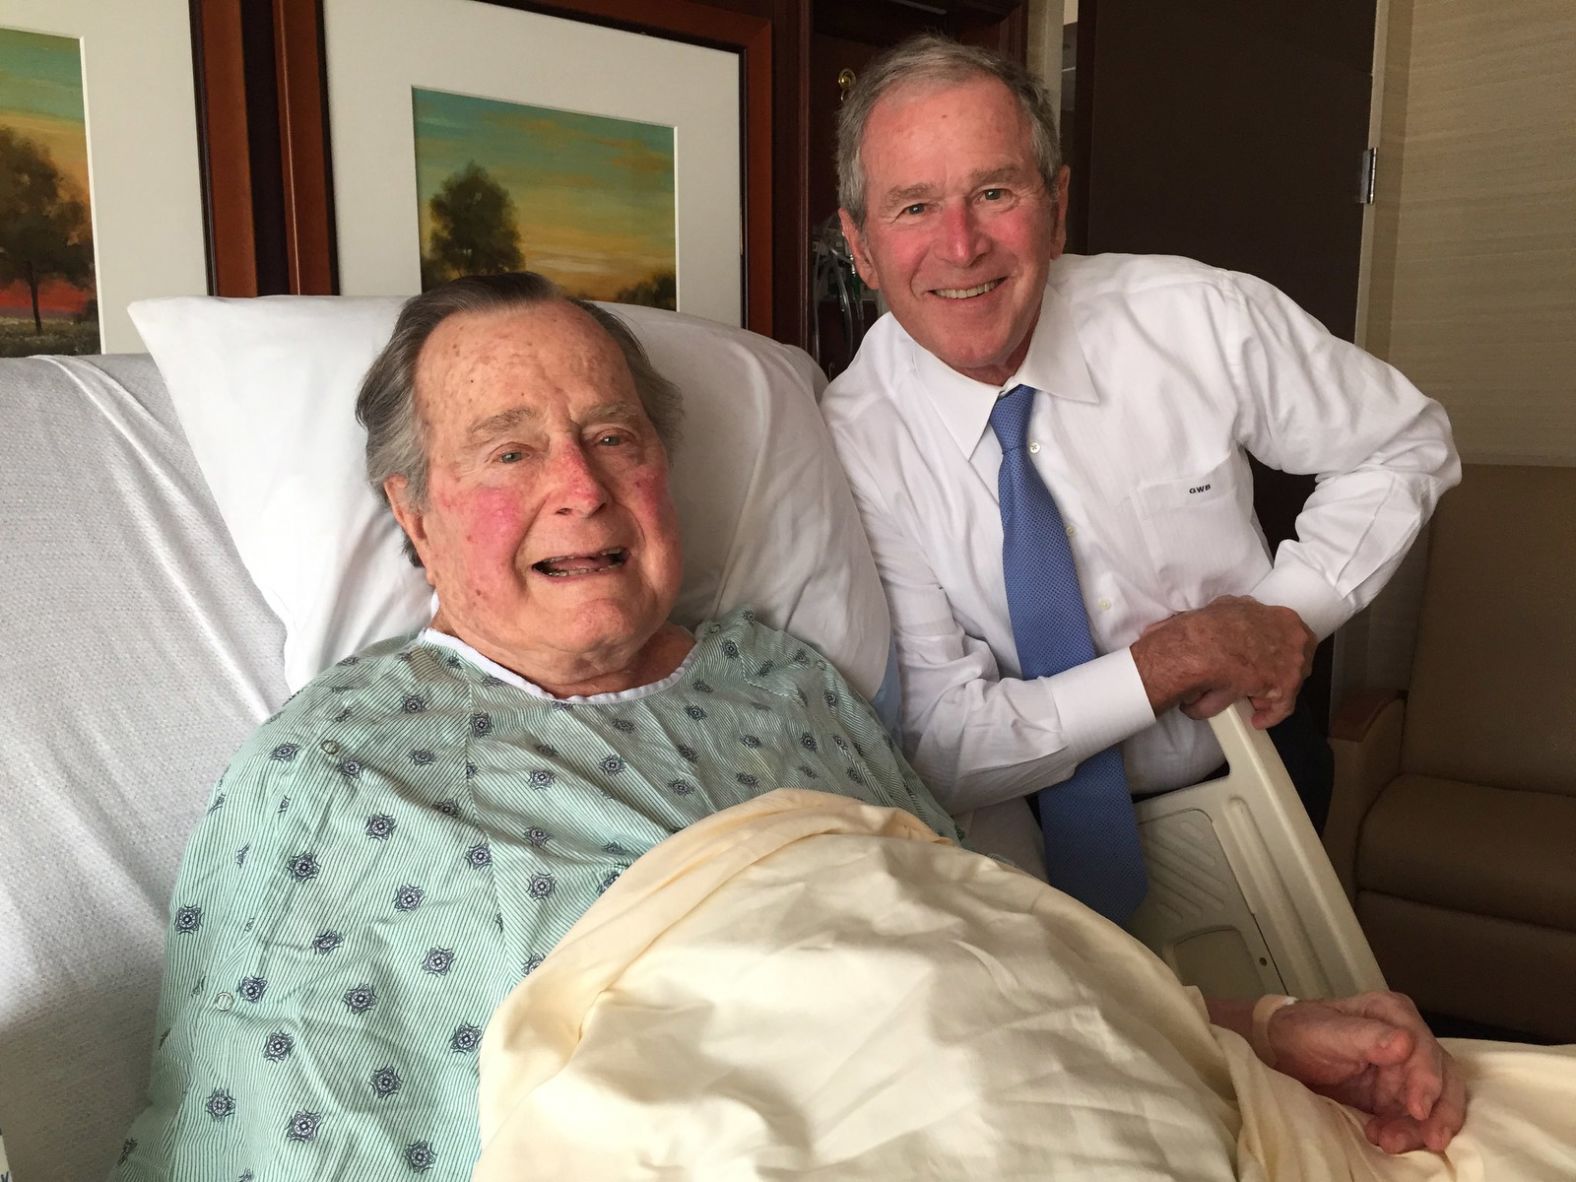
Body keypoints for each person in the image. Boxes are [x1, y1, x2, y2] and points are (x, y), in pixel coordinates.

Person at [113, 273, 1461, 1180]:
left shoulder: (782, 677)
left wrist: (1260, 1027)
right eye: (509, 450)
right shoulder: (338, 772)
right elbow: (281, 1125)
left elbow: (989, 952)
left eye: (615, 436)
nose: (579, 487)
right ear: (410, 517)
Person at [819, 35, 1460, 905]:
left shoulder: (1193, 316)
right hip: (1017, 844)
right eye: (914, 208)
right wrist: (1172, 660)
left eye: (994, 192)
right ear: (860, 245)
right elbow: (941, 738)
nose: (961, 246)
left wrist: (1288, 616)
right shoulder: (851, 438)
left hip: (1261, 778)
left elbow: (1405, 441)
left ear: (1057, 203)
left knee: (1305, 1029)